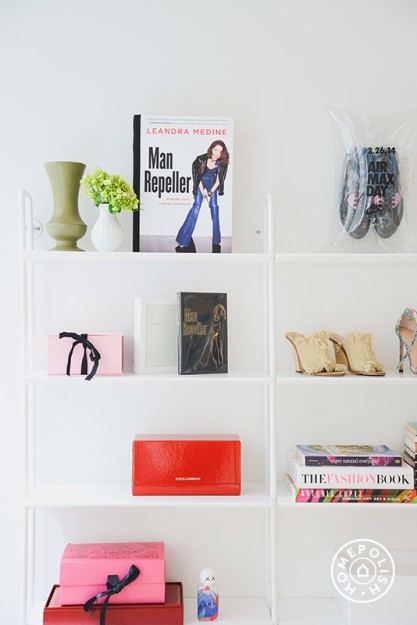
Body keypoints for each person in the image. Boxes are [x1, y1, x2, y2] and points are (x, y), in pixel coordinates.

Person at [175, 140, 230, 253]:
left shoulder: (222, 163)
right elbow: (197, 178)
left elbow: (219, 181)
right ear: (211, 149)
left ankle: (216, 241)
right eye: (216, 150)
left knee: (214, 207)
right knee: (196, 206)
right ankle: (183, 239)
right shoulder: (200, 160)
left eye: (220, 151)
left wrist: (209, 194)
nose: (217, 153)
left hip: (212, 183)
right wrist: (203, 193)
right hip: (200, 182)